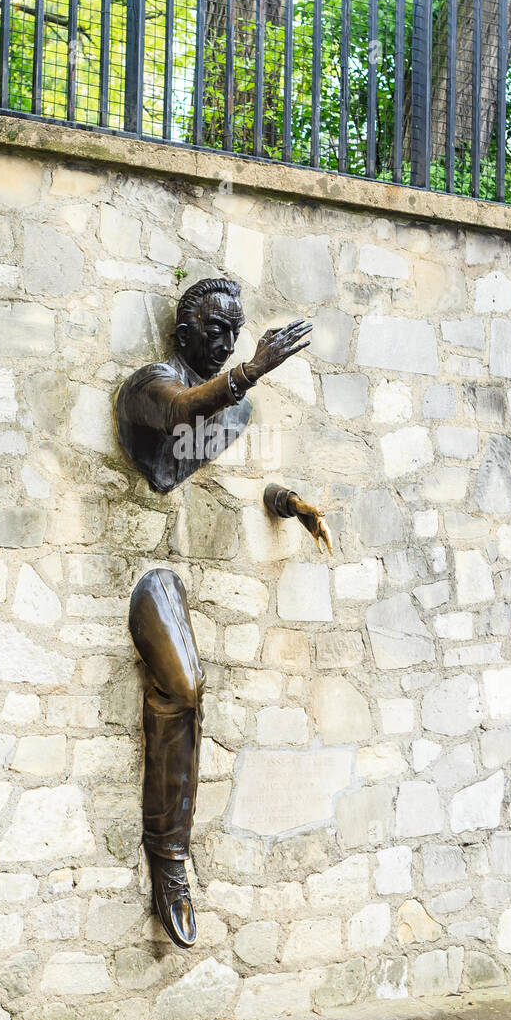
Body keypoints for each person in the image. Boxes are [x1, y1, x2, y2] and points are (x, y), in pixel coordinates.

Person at [117, 278, 331, 947]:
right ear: (182, 330)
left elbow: (216, 429)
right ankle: (168, 857)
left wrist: (283, 501)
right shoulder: (151, 383)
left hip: (180, 564)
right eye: (213, 328)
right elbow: (180, 409)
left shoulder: (236, 411)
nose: (226, 340)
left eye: (234, 331)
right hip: (134, 557)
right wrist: (249, 371)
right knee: (184, 685)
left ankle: (173, 853)